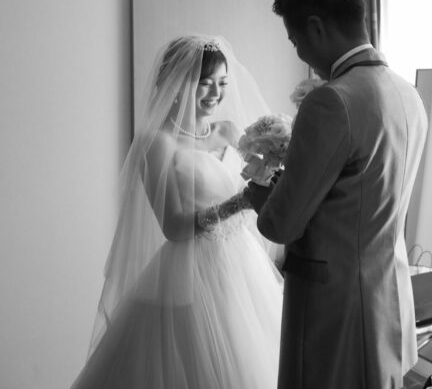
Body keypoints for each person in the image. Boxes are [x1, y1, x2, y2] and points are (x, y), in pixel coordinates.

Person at [245, 0, 429, 388]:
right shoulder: (409, 94)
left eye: (295, 42)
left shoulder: (331, 101)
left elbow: (281, 224)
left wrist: (262, 196)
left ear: (316, 27)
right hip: (389, 297)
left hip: (336, 310)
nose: (301, 56)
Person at [72, 35, 282, 389]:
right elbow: (173, 226)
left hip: (242, 262)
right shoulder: (156, 143)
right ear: (177, 82)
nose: (216, 93)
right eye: (205, 83)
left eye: (222, 83)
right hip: (190, 272)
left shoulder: (230, 132)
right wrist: (240, 203)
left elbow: (260, 181)